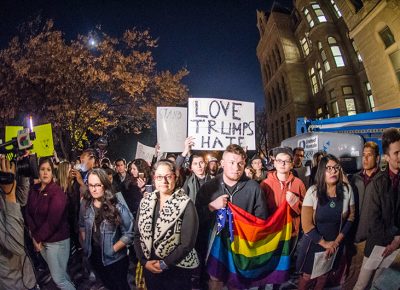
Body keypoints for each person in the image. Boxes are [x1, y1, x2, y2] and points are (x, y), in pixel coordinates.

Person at [196, 144, 268, 289]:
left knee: (237, 283)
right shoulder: (209, 187)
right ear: (222, 163)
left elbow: (261, 221)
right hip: (216, 248)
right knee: (215, 281)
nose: (236, 167)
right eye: (232, 162)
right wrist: (212, 206)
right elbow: (195, 219)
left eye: (240, 163)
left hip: (241, 248)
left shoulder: (253, 187)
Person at [134, 160, 199, 290]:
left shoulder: (186, 203)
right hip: (149, 266)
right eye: (159, 177)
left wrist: (164, 264)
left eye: (168, 176)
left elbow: (187, 243)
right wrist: (144, 262)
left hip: (176, 269)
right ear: (154, 179)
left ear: (175, 177)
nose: (164, 181)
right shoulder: (145, 201)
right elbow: (137, 235)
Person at [297, 154, 355, 290]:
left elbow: (351, 217)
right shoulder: (313, 192)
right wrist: (324, 243)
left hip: (335, 244)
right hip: (314, 243)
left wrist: (336, 242)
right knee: (307, 278)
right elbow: (306, 225)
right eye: (329, 168)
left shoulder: (347, 190)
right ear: (322, 171)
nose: (333, 171)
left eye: (336, 168)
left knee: (324, 276)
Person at [354, 128, 400, 289]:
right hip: (368, 242)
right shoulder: (367, 182)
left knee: (377, 284)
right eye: (397, 153)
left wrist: (396, 239)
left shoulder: (391, 180)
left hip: (390, 244)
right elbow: (370, 217)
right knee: (360, 283)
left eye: (369, 155)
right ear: (387, 157)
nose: (365, 159)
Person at [79, 168, 134, 290]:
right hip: (95, 256)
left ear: (104, 185)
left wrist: (112, 249)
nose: (94, 189)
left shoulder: (117, 205)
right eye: (91, 185)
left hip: (115, 259)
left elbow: (130, 233)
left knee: (121, 287)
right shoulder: (85, 204)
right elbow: (82, 225)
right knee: (108, 285)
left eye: (98, 185)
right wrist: (86, 245)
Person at [25, 158, 75, 290]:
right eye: (42, 169)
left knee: (58, 279)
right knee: (62, 275)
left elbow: (52, 222)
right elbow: (28, 213)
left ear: (53, 172)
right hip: (41, 241)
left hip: (57, 242)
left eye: (48, 170)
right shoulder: (34, 190)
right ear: (38, 172)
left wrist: (37, 238)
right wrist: (35, 237)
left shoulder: (57, 192)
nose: (45, 173)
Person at [343, 141, 380, 289]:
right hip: (352, 239)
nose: (364, 159)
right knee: (350, 278)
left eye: (369, 155)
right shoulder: (354, 179)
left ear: (377, 158)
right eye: (363, 155)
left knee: (368, 282)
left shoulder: (384, 181)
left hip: (372, 241)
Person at [0, 155, 37, 290]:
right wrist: (9, 194)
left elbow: (21, 199)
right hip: (13, 283)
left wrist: (22, 174)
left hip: (26, 274)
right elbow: (16, 246)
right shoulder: (5, 192)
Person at [261, 147, 306, 248]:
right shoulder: (265, 184)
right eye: (279, 161)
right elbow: (260, 211)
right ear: (275, 163)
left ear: (291, 164)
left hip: (292, 233)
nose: (283, 164)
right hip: (272, 232)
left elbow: (307, 211)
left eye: (286, 161)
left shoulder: (299, 183)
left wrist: (296, 202)